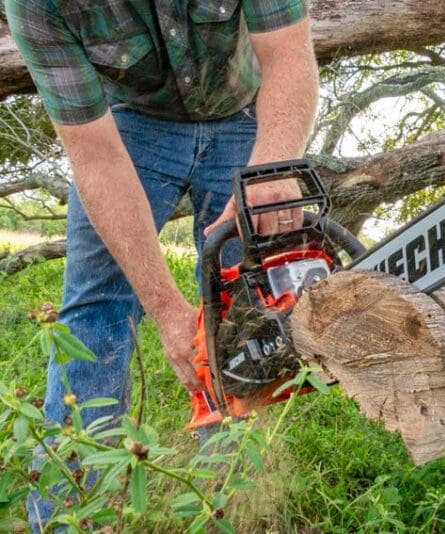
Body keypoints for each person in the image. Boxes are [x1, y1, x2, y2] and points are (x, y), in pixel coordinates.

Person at [5, 0, 318, 527]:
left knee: (244, 307)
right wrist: (168, 311)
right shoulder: (38, 7)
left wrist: (272, 168)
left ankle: (222, 501)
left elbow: (289, 54)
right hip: (130, 126)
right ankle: (70, 512)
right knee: (94, 308)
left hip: (245, 111)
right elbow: (95, 157)